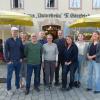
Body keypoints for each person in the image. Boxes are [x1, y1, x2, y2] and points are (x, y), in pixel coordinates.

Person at [4, 27, 24, 96]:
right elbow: (5, 51)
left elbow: (22, 49)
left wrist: (21, 58)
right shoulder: (8, 40)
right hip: (11, 62)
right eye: (13, 32)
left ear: (17, 32)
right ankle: (8, 89)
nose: (15, 33)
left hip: (18, 61)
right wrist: (8, 60)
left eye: (16, 32)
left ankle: (17, 87)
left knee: (17, 75)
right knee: (9, 76)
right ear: (11, 32)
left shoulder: (19, 40)